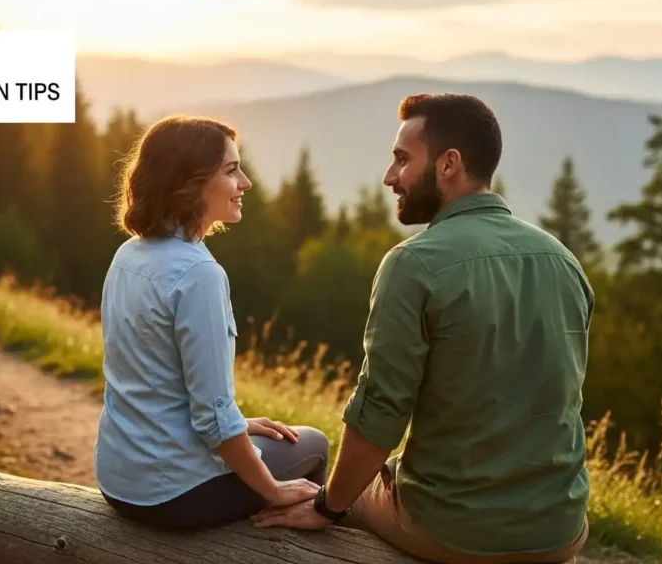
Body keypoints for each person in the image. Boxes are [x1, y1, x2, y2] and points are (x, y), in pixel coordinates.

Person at [252, 93, 593, 564]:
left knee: (327, 497)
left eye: (401, 160)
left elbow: (379, 419)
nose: (390, 177)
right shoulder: (563, 260)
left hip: (456, 529)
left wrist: (328, 506)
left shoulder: (413, 264)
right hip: (561, 527)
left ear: (449, 163)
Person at [94, 115, 330, 531]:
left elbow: (156, 378)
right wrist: (274, 490)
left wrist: (240, 424)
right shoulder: (198, 275)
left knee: (273, 437)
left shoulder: (128, 254)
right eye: (231, 170)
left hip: (119, 481)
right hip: (173, 496)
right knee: (312, 443)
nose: (246, 182)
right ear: (190, 182)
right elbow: (213, 423)